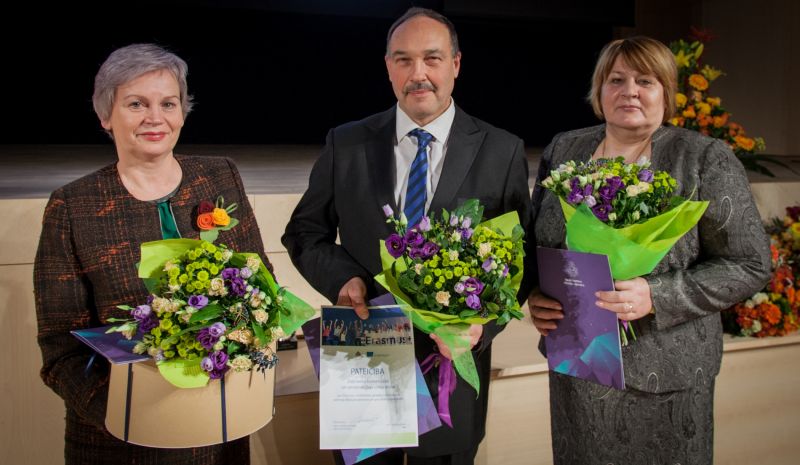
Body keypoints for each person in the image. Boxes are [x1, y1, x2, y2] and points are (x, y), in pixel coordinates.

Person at [282, 7, 532, 464]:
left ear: (455, 64)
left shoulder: (501, 150)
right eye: (404, 60)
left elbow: (521, 258)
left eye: (432, 58)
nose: (418, 74)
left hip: (450, 372)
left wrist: (480, 328)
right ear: (388, 67)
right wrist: (342, 279)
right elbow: (305, 231)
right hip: (364, 363)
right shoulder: (346, 143)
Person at [528, 36, 771, 465]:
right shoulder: (565, 148)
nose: (630, 91)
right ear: (599, 90)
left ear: (666, 92)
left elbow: (750, 264)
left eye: (645, 81)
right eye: (616, 80)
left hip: (668, 377)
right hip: (578, 368)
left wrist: (657, 295)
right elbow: (537, 240)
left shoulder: (702, 158)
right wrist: (537, 295)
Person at [33, 43, 266, 464]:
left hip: (219, 433)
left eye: (168, 103)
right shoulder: (73, 206)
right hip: (119, 441)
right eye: (136, 104)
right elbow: (60, 349)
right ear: (106, 115)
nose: (155, 117)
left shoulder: (220, 177)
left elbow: (263, 291)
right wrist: (129, 413)